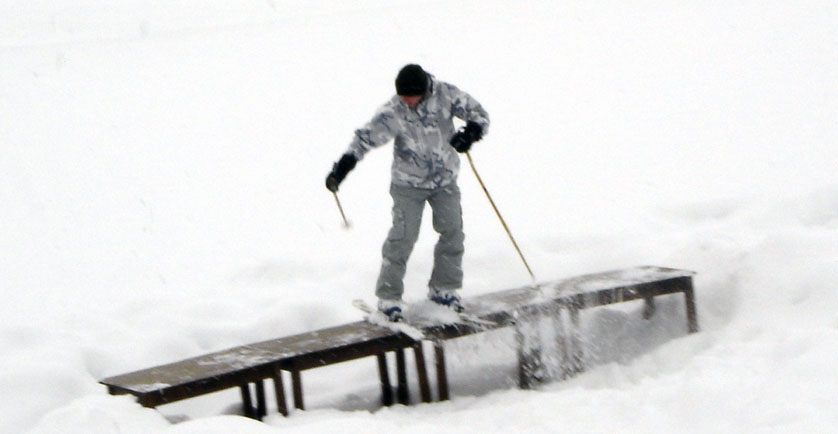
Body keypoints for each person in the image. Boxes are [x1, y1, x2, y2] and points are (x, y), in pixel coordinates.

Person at [326, 64, 489, 322]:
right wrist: (342, 168)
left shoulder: (445, 94)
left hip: (445, 181)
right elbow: (365, 138)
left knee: (453, 233)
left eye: (411, 96)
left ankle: (444, 290)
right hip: (408, 185)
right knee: (403, 237)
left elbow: (479, 114)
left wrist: (470, 133)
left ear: (424, 90)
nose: (407, 101)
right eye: (403, 96)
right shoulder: (394, 110)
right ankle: (388, 297)